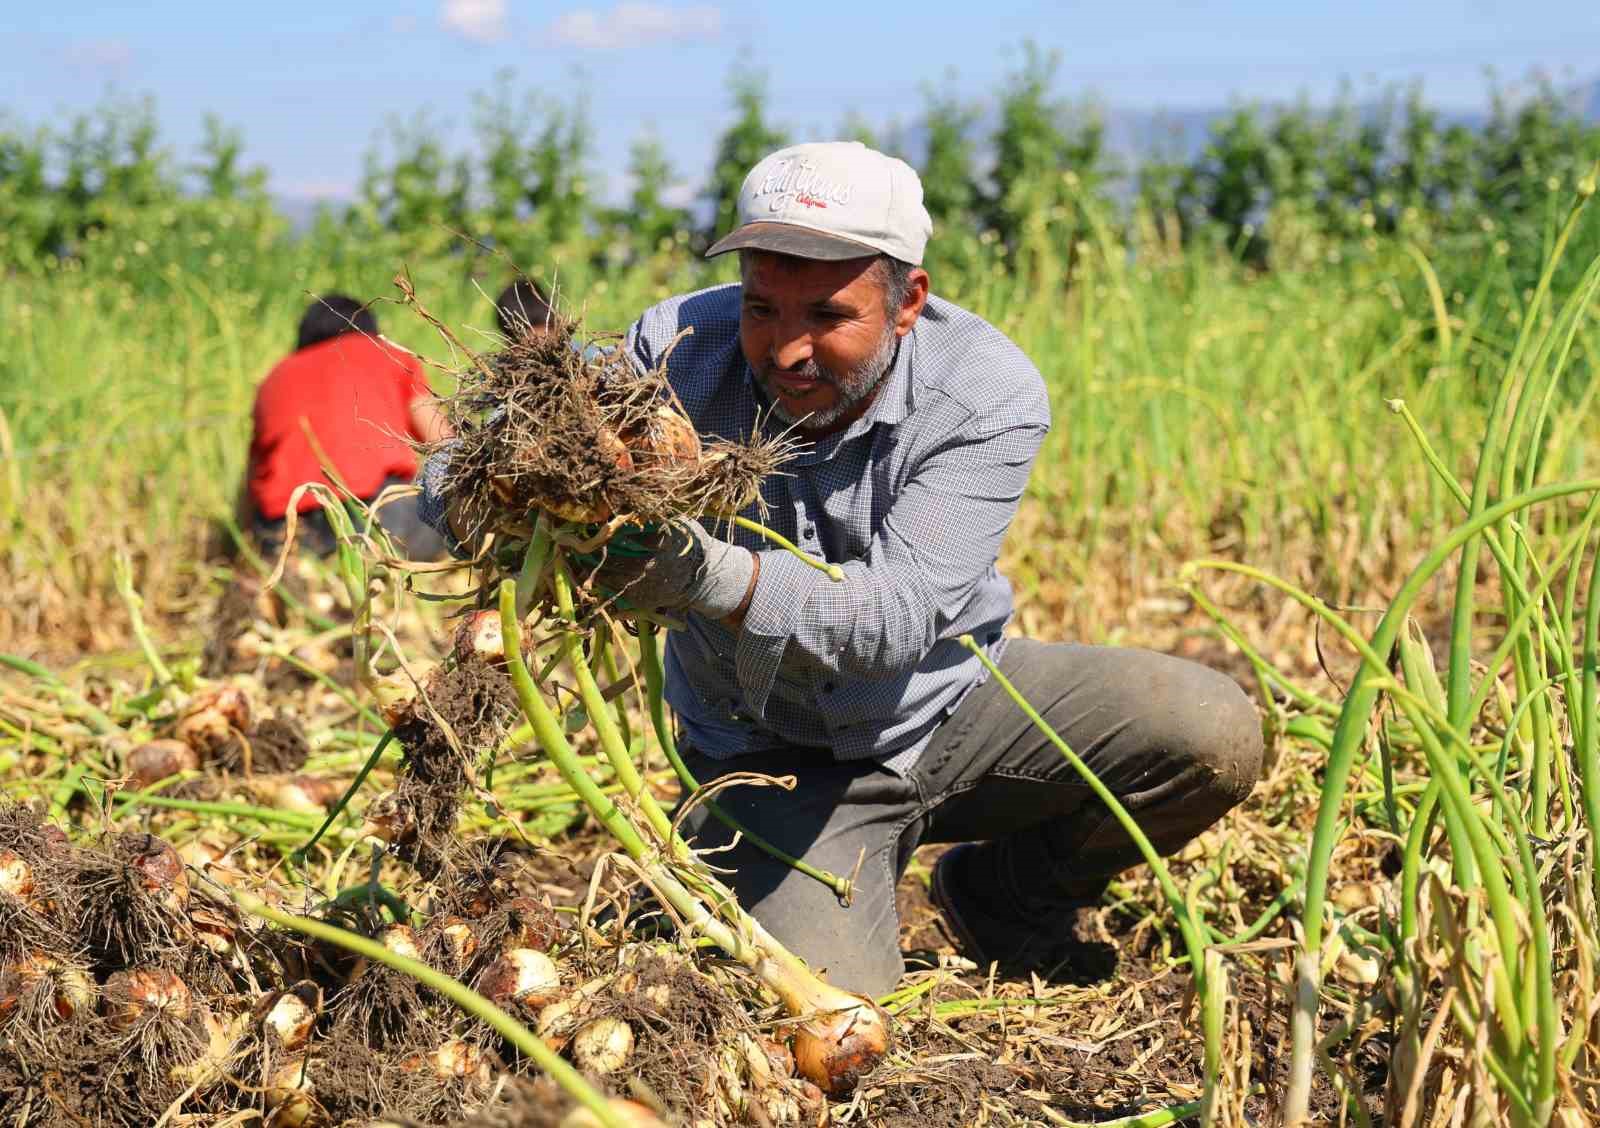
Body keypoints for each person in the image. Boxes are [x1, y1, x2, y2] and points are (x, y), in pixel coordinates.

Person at [420, 142, 1263, 996]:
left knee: (1207, 731)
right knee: (833, 1013)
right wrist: (487, 485)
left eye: (827, 315)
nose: (786, 349)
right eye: (761, 308)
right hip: (769, 757)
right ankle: (745, 856)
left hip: (948, 706)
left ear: (908, 303)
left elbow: (892, 621)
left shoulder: (983, 392)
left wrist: (710, 577)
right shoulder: (672, 350)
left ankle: (1004, 894)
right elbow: (488, 459)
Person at [243, 294, 452, 560]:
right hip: (377, 516)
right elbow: (445, 445)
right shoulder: (388, 354)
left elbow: (253, 478)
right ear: (368, 327)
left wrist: (242, 549)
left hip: (286, 531)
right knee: (446, 521)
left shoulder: (274, 377)